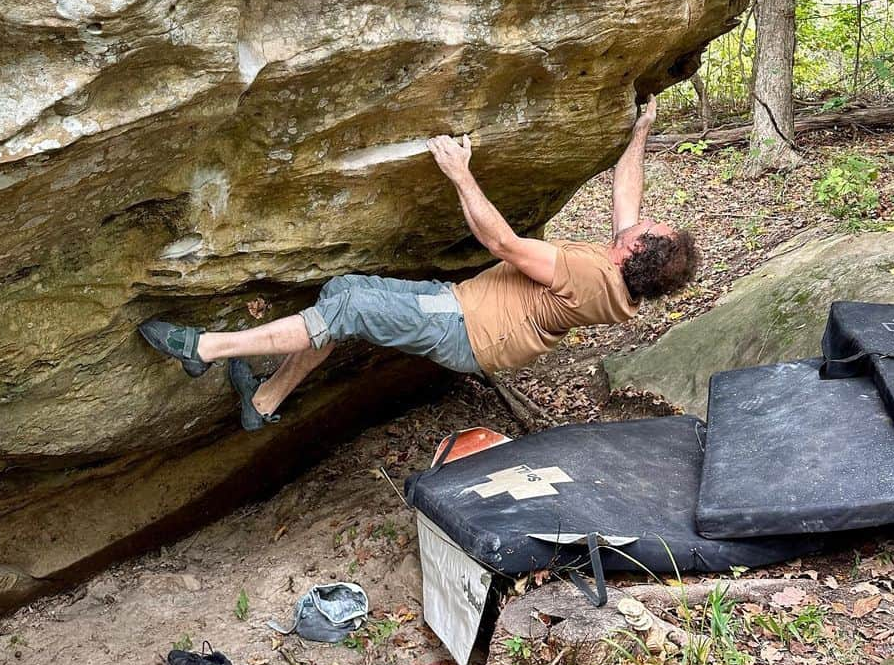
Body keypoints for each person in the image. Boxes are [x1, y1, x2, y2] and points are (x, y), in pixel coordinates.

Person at [139, 95, 698, 429]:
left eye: (650, 228)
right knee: (343, 294)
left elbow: (501, 243)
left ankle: (204, 348)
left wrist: (460, 173)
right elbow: (629, 194)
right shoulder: (623, 274)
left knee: (350, 304)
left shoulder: (589, 274)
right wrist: (640, 132)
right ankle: (263, 401)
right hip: (471, 323)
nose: (643, 219)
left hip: (465, 327)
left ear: (636, 250)